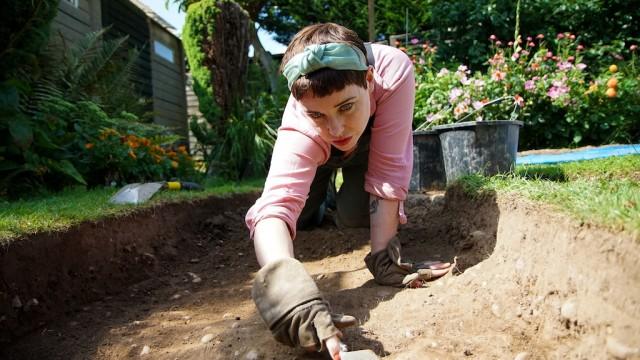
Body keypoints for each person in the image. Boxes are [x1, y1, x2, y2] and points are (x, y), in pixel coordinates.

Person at [245, 23, 452, 359]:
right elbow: (274, 207)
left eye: (345, 107)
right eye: (318, 114)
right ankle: (319, 190)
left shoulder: (393, 70)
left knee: (356, 218)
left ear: (368, 80)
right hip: (316, 153)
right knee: (305, 217)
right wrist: (290, 296)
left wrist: (385, 258)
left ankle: (337, 194)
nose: (335, 128)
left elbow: (388, 169)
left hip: (368, 148)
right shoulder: (301, 120)